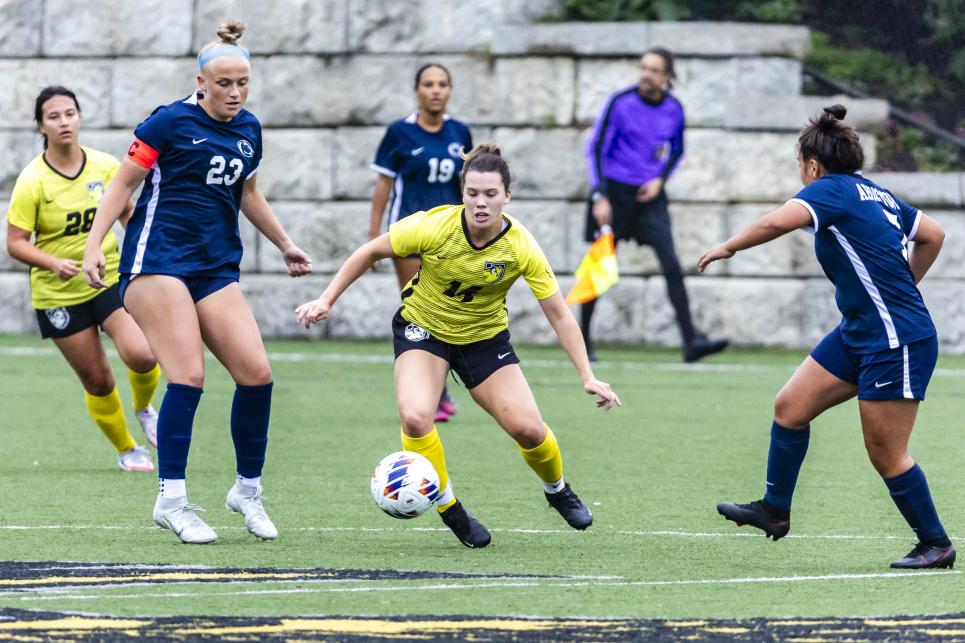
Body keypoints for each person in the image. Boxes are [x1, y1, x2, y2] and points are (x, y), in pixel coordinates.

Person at [298, 144, 620, 548]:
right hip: (424, 330)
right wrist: (326, 299)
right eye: (472, 193)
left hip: (484, 339)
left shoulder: (520, 246)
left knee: (528, 429)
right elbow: (370, 251)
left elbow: (558, 314)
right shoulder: (434, 226)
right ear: (461, 192)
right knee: (415, 418)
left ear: (507, 196)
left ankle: (557, 490)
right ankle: (452, 511)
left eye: (490, 194)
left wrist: (587, 375)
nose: (481, 203)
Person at [82, 21, 312, 545]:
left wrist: (284, 243)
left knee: (256, 374)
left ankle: (247, 492)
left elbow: (247, 193)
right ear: (201, 82)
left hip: (214, 266)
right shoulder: (167, 123)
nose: (234, 93)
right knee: (188, 375)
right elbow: (123, 182)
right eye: (224, 83)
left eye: (243, 83)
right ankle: (172, 500)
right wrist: (95, 245)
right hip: (155, 261)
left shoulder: (250, 129)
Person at [699, 105, 954, 570]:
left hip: (896, 339)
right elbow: (933, 234)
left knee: (886, 454)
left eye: (800, 164)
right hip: (861, 331)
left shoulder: (829, 190)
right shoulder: (874, 192)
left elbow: (778, 222)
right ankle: (775, 511)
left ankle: (935, 543)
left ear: (812, 165)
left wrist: (727, 246)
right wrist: (901, 286)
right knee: (790, 408)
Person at [6, 86, 160, 473]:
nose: (64, 122)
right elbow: (15, 243)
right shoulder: (32, 181)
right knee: (98, 379)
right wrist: (52, 262)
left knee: (142, 354)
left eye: (70, 113)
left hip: (106, 278)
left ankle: (144, 408)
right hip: (58, 294)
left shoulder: (105, 166)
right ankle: (127, 449)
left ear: (79, 117)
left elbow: (126, 211)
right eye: (54, 117)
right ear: (41, 125)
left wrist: (138, 250)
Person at [584, 47, 727, 363]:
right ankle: (581, 340)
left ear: (667, 77)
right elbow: (594, 148)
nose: (646, 74)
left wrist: (660, 179)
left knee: (672, 265)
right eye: (643, 68)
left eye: (654, 70)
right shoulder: (620, 102)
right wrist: (599, 195)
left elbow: (676, 151)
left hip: (650, 198)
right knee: (599, 266)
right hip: (613, 195)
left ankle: (691, 341)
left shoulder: (675, 109)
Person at [369, 63, 473, 423]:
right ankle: (432, 393)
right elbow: (383, 187)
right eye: (428, 84)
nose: (435, 90)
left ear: (450, 90)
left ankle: (441, 385)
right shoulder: (400, 132)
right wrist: (374, 238)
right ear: (417, 90)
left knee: (450, 309)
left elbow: (469, 186)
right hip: (409, 234)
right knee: (419, 310)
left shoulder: (460, 132)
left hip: (451, 237)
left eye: (442, 84)